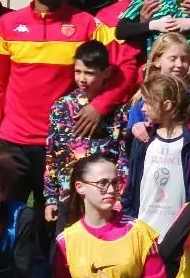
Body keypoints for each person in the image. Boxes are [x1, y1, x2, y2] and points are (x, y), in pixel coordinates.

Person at [0, 0, 136, 205]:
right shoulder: (6, 25)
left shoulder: (88, 25)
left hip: (65, 141)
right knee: (11, 223)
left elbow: (127, 68)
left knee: (58, 224)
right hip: (13, 144)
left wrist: (100, 105)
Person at [46, 42, 129, 213]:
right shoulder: (61, 106)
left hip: (104, 196)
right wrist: (50, 198)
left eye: (89, 73)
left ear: (105, 73)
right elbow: (52, 154)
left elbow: (122, 157)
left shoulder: (118, 112)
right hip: (68, 195)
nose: (82, 79)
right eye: (78, 71)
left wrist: (119, 195)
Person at [125, 75, 190, 236]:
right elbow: (133, 181)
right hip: (142, 228)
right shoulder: (143, 137)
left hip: (178, 230)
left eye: (148, 103)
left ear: (167, 105)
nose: (142, 108)